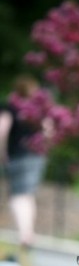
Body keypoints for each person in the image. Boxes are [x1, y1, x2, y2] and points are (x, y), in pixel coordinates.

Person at [0, 75, 48, 249]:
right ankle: (28, 233)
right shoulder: (39, 109)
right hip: (36, 156)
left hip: (17, 155)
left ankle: (24, 236)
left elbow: (2, 130)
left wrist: (3, 153)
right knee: (28, 195)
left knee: (18, 196)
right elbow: (48, 129)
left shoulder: (10, 107)